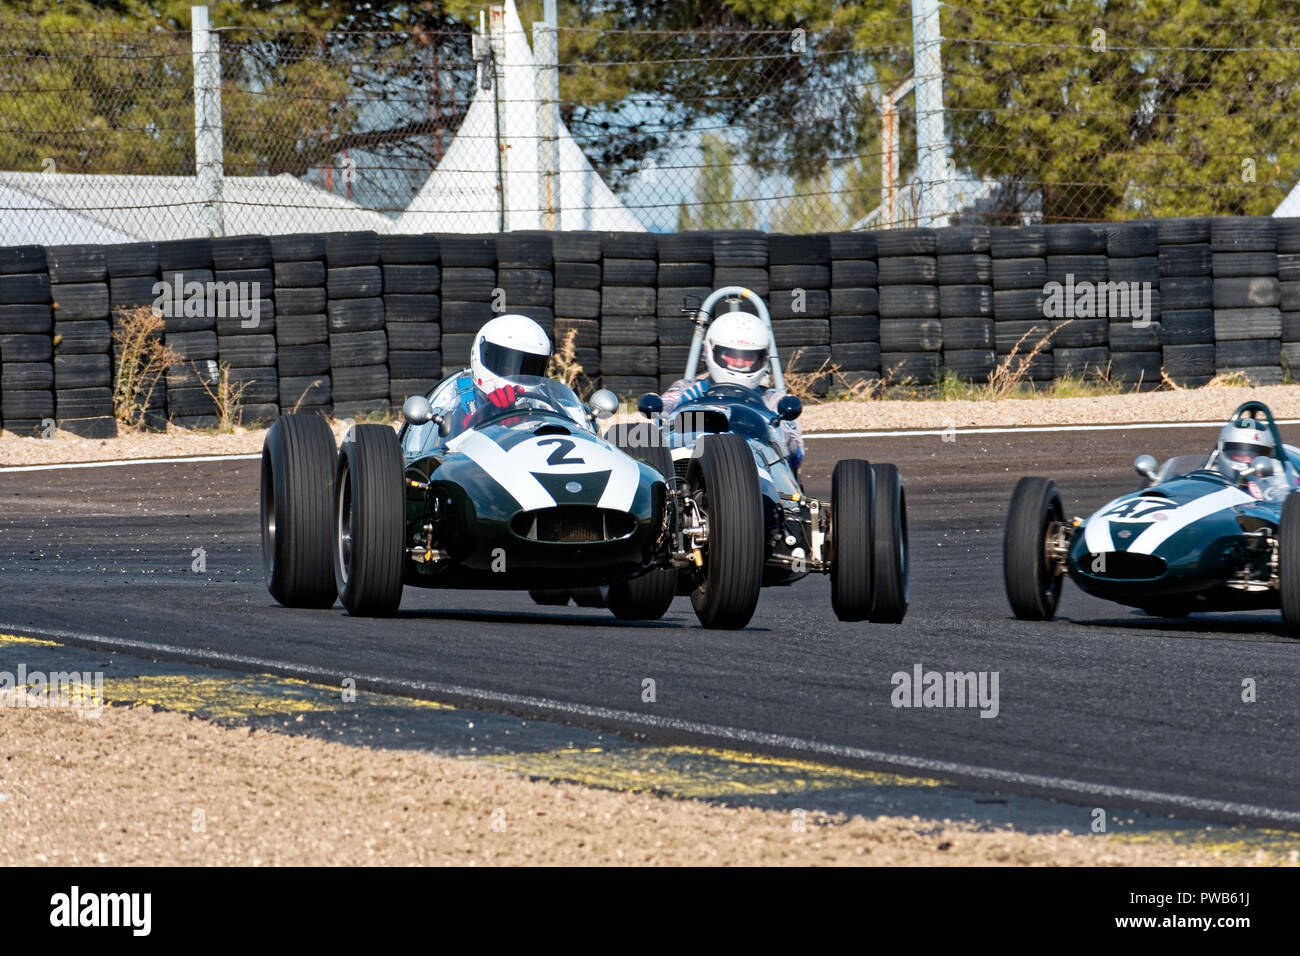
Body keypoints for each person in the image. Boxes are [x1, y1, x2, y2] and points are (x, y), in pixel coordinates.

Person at [660, 311, 804, 473]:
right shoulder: (685, 388)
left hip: (755, 470)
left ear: (762, 358)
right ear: (711, 351)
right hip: (689, 461)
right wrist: (680, 406)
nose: (740, 363)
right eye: (731, 355)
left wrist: (770, 426)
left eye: (749, 357)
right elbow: (659, 421)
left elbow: (795, 453)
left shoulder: (775, 401)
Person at [450, 314, 551, 431]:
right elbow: (440, 441)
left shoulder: (545, 404)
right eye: (508, 368)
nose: (519, 376)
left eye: (530, 368)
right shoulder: (453, 398)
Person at [1211, 417, 1295, 501]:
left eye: (1256, 457)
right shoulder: (1210, 477)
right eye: (1240, 455)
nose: (1248, 460)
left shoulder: (1277, 476)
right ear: (1222, 448)